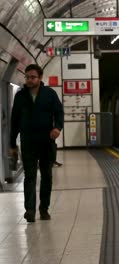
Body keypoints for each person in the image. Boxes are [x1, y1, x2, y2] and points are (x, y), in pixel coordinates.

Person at [9, 64, 64, 223]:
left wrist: (57, 127)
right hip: (28, 142)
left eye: (33, 77)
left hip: (47, 141)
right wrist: (12, 142)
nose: (29, 80)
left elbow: (59, 112)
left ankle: (44, 208)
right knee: (30, 176)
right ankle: (30, 210)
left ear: (40, 78)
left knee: (47, 175)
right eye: (27, 77)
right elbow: (15, 120)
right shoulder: (20, 96)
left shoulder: (49, 94)